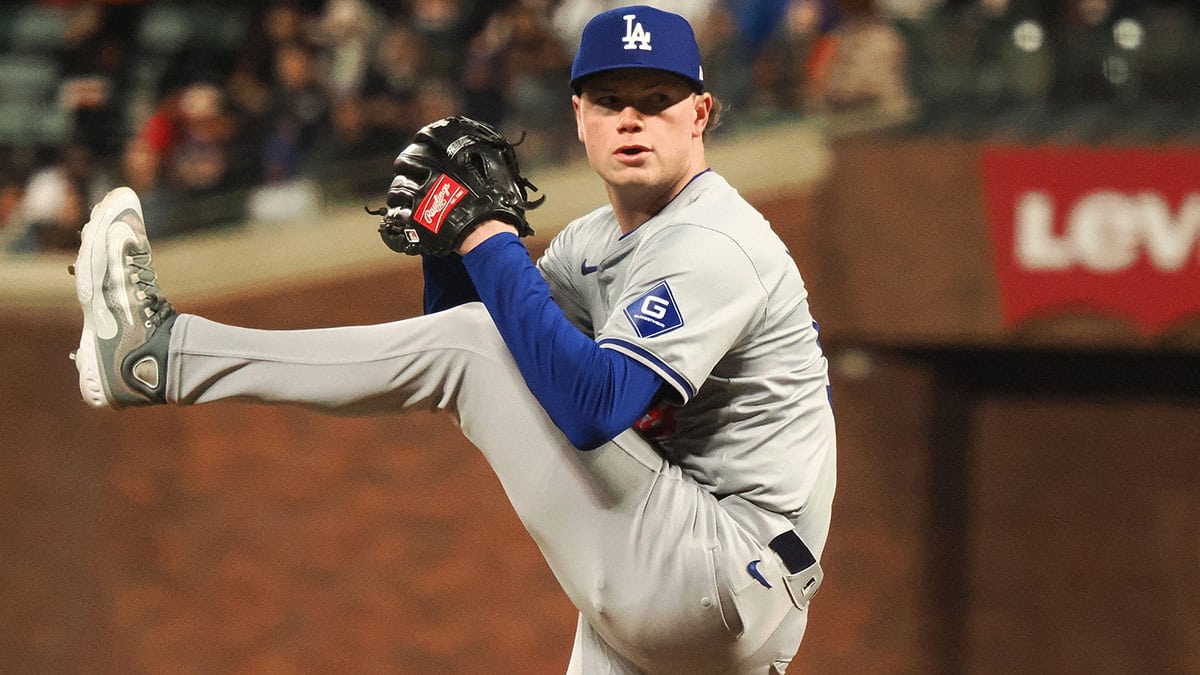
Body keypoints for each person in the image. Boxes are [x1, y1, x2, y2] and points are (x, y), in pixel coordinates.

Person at [70, 6, 836, 674]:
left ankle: (161, 353)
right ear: (579, 115)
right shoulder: (593, 242)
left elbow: (592, 404)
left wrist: (485, 232)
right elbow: (483, 345)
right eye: (611, 100)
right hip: (701, 586)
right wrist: (447, 242)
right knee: (477, 337)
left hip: (720, 566)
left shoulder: (714, 239)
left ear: (700, 114)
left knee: (476, 343)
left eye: (657, 100)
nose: (631, 119)